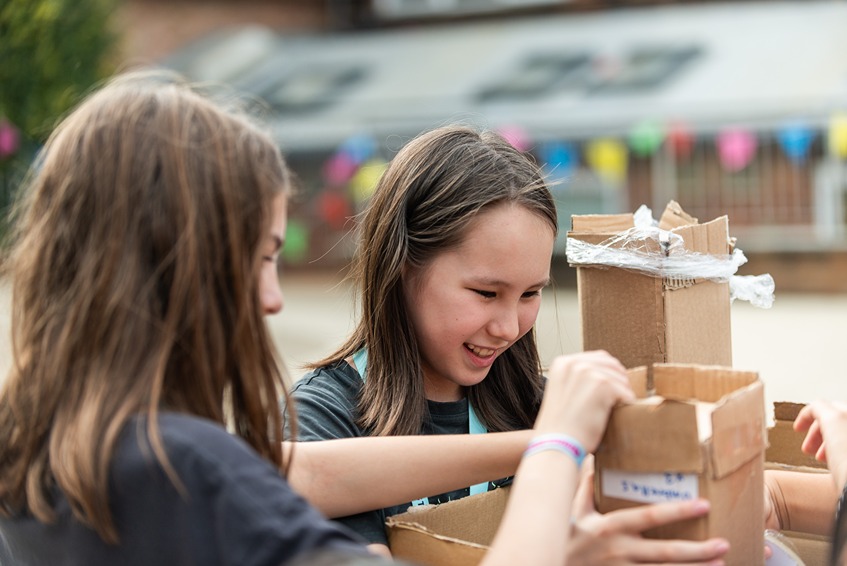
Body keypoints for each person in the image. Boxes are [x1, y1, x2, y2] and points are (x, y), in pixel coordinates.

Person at [0, 69, 722, 566]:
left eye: (532, 294)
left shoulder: (36, 448)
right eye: (259, 259)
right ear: (180, 269)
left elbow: (293, 471)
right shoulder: (192, 471)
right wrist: (555, 450)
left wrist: (538, 438)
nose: (274, 298)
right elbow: (282, 470)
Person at [288, 125, 729, 563]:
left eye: (530, 294)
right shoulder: (323, 420)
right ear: (401, 265)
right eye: (486, 293)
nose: (507, 327)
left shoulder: (544, 406)